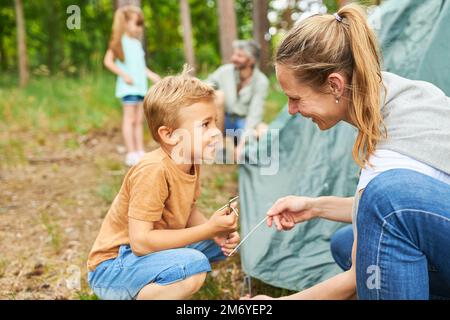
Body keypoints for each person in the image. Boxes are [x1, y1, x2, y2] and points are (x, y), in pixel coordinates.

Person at [246, 4, 450, 300]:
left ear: (335, 85)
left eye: (295, 98)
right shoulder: (391, 93)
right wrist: (314, 207)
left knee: (384, 201)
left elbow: (354, 277)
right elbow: (414, 208)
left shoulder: (393, 145)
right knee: (346, 242)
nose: (291, 110)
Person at [87, 70, 240, 300]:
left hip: (147, 254)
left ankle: (159, 283)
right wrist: (208, 230)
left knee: (221, 246)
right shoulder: (153, 170)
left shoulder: (190, 161)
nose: (216, 132)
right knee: (194, 265)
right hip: (113, 267)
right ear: (169, 135)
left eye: (215, 122)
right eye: (205, 125)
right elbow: (140, 242)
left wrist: (215, 233)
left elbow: (188, 209)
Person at [104, 5, 161, 166]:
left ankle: (139, 150)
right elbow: (107, 61)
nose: (139, 28)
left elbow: (141, 67)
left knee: (138, 120)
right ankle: (131, 152)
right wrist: (124, 75)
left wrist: (151, 75)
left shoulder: (136, 44)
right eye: (137, 23)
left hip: (140, 88)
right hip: (128, 88)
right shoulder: (119, 43)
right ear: (126, 23)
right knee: (129, 119)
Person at [206, 40, 270, 150]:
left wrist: (243, 141)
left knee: (264, 130)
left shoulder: (261, 81)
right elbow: (205, 85)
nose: (233, 58)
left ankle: (241, 145)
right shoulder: (224, 71)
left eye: (239, 56)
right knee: (219, 95)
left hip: (243, 122)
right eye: (234, 54)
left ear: (251, 60)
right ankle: (218, 145)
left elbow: (255, 113)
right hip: (222, 121)